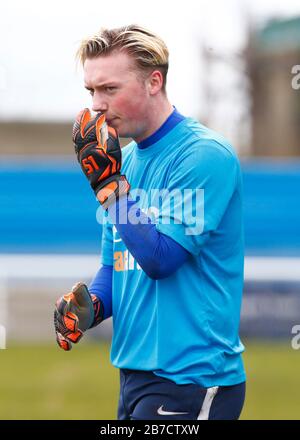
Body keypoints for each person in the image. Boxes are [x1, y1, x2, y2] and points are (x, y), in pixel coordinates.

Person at [54, 24, 246, 420]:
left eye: (109, 89)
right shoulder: (126, 163)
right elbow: (116, 265)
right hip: (134, 376)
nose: (97, 105)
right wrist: (92, 305)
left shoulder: (204, 155)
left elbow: (160, 260)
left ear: (154, 81)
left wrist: (110, 187)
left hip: (192, 378)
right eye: (91, 91)